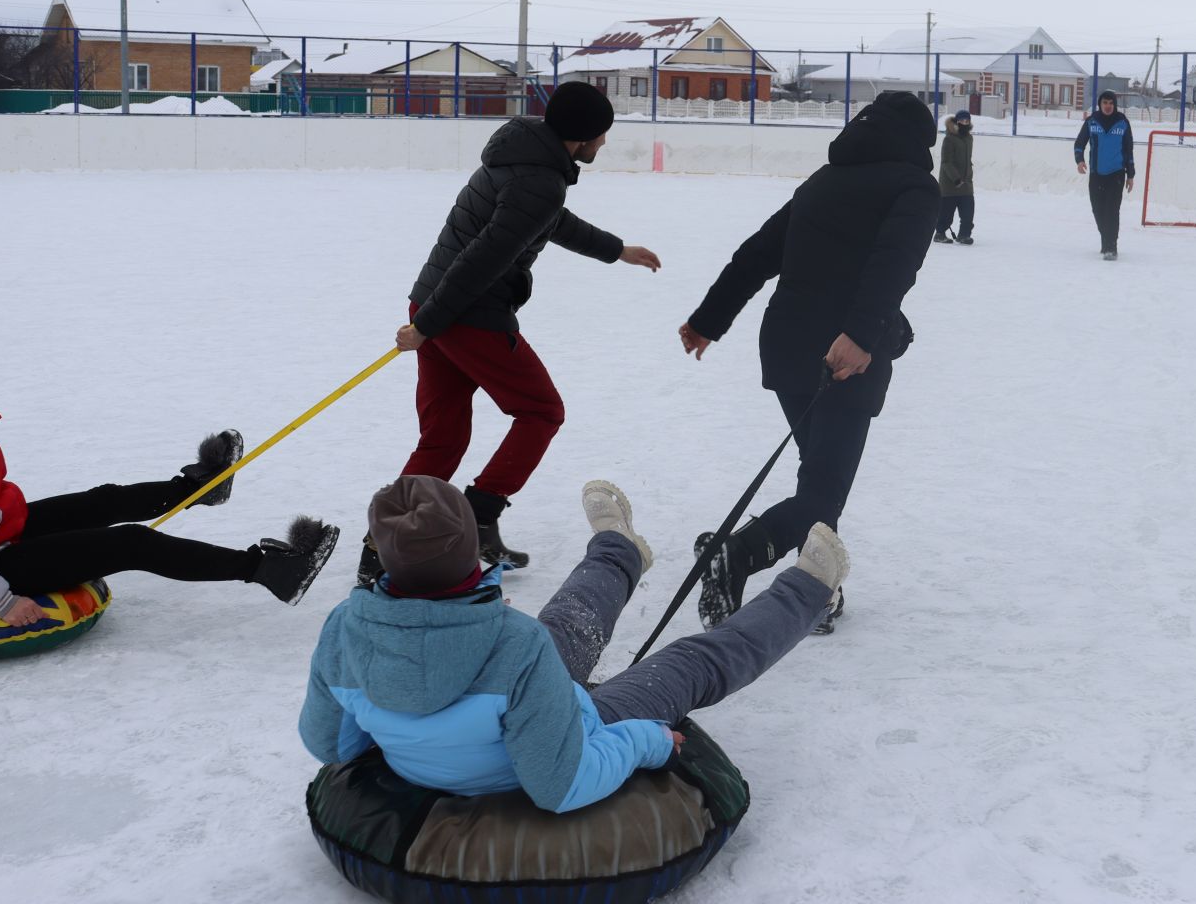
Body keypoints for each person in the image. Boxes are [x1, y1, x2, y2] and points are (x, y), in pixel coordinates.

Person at [301, 474, 849, 813]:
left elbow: (332, 744)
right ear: (472, 554)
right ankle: (808, 591)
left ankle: (620, 547)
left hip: (499, 712)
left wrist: (413, 730)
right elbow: (560, 783)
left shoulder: (343, 628)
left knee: (567, 624)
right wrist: (647, 742)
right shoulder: (515, 645)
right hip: (564, 742)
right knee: (688, 662)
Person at [0, 307, 341, 623]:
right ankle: (271, 571)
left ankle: (197, 489)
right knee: (131, 543)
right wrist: (3, 603)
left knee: (102, 501)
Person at [678, 90, 939, 633]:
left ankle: (815, 589)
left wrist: (709, 318)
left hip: (785, 342)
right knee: (823, 488)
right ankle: (738, 553)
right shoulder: (914, 186)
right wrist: (861, 334)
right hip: (842, 353)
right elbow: (895, 264)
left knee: (818, 474)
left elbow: (756, 254)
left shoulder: (823, 180)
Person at [387, 81, 663, 574]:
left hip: (434, 302)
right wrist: (428, 328)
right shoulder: (540, 179)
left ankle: (383, 547)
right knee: (540, 411)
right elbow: (484, 259)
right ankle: (480, 512)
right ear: (581, 135)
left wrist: (616, 250)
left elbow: (549, 222)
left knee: (443, 438)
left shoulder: (525, 156)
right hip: (466, 316)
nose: (603, 144)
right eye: (601, 135)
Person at [1073, 90, 1135, 260]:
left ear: (1115, 105)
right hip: (1096, 174)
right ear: (1100, 105)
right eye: (1105, 103)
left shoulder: (1122, 122)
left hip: (1116, 174)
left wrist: (1130, 175)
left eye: (1111, 103)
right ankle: (1105, 241)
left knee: (1112, 211)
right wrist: (1080, 160)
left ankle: (1111, 247)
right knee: (1098, 210)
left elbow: (1129, 150)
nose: (1108, 106)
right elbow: (1079, 143)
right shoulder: (1091, 121)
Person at [934, 108, 975, 245]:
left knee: (968, 213)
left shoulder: (969, 138)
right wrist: (956, 178)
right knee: (946, 214)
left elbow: (968, 160)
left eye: (967, 120)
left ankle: (964, 235)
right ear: (957, 122)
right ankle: (940, 233)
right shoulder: (949, 139)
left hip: (966, 184)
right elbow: (946, 162)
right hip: (950, 185)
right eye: (962, 120)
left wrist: (968, 176)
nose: (965, 122)